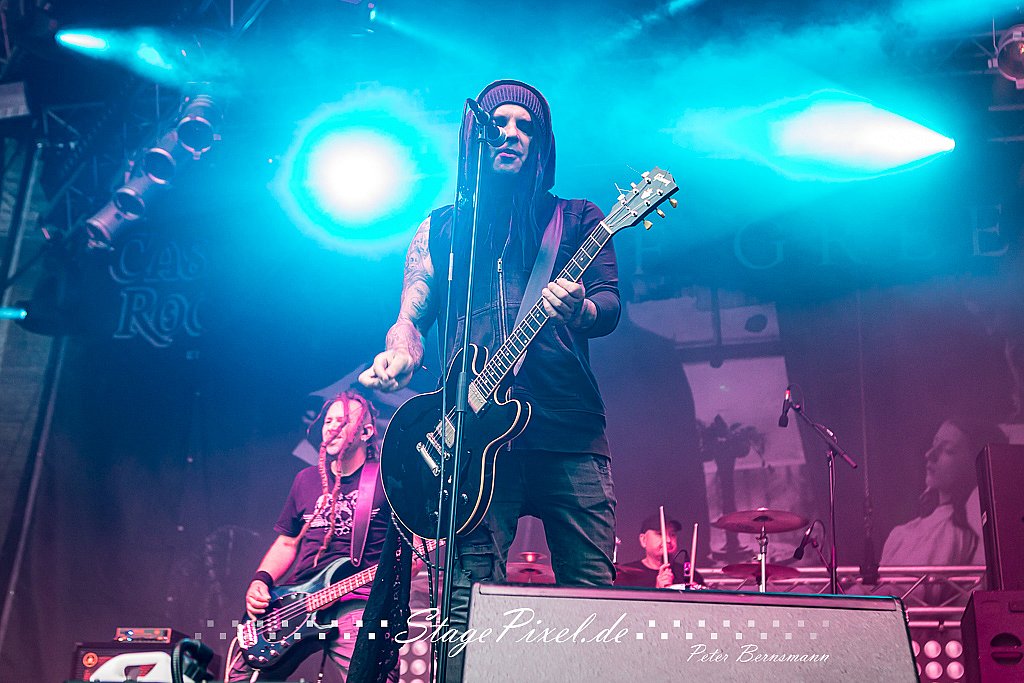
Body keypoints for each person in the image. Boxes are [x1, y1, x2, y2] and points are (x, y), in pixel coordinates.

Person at [359, 79, 620, 678]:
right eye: (498, 122)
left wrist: (579, 308)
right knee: (466, 611)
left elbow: (608, 305)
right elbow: (411, 316)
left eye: (525, 126)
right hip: (473, 443)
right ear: (475, 136)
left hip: (568, 433)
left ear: (542, 143)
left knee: (594, 604)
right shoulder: (442, 227)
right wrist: (399, 352)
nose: (510, 133)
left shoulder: (577, 217)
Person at [225, 391, 398, 682]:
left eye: (343, 421)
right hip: (295, 600)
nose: (331, 427)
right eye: (328, 421)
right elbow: (287, 542)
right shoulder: (305, 479)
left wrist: (405, 566)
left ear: (366, 432)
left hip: (358, 599)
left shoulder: (386, 480)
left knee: (369, 674)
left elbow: (412, 553)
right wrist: (261, 580)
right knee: (241, 676)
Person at [881, 418, 1007, 567]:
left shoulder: (954, 533)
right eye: (933, 445)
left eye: (948, 450)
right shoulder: (904, 531)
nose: (929, 454)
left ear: (975, 465)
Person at [614, 514, 704, 589]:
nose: (668, 540)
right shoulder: (625, 576)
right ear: (644, 540)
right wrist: (658, 592)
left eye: (672, 534)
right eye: (660, 534)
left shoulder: (690, 575)